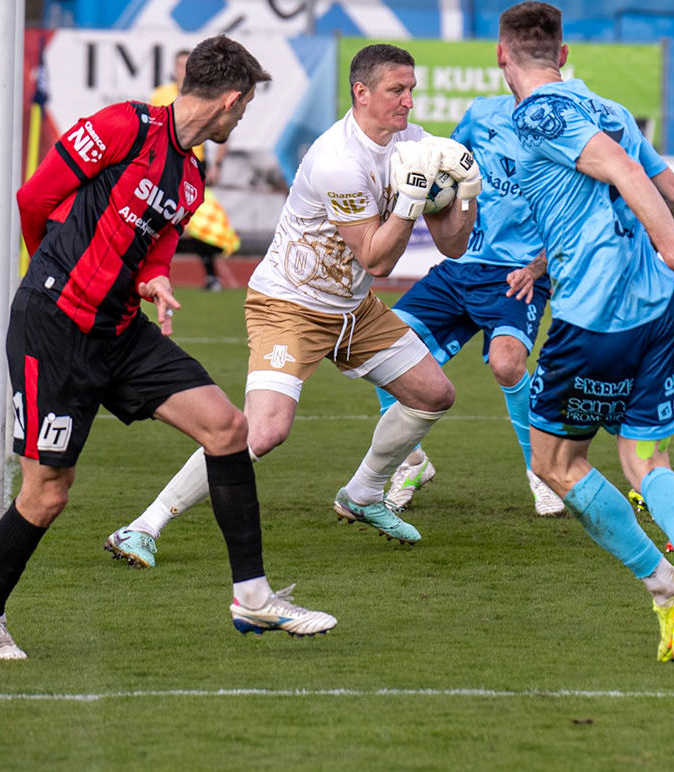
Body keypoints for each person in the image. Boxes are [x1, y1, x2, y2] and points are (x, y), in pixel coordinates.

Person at [0, 35, 335, 659]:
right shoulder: (123, 127)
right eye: (244, 107)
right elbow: (35, 198)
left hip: (121, 329)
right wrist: (51, 270)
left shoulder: (190, 178)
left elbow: (157, 248)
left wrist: (153, 278)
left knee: (227, 428)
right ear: (230, 100)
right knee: (48, 491)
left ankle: (253, 598)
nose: (241, 119)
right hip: (54, 326)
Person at [104, 42, 480, 565]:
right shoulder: (338, 161)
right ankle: (143, 526)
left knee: (433, 394)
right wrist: (412, 203)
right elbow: (377, 260)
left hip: (351, 310)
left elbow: (453, 245)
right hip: (289, 305)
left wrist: (466, 193)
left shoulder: (415, 145)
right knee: (264, 431)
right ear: (361, 92)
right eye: (397, 90)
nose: (409, 102)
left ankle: (364, 493)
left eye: (411, 89)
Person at [501, 0, 674, 665]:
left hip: (594, 316)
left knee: (555, 463)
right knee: (647, 459)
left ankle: (663, 587)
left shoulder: (536, 112)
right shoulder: (610, 108)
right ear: (563, 53)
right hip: (656, 312)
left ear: (502, 55)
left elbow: (627, 175)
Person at [375, 88, 562, 519]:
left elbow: (580, 210)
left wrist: (540, 267)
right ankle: (411, 461)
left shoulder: (564, 125)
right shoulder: (481, 113)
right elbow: (444, 164)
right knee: (382, 343)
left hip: (517, 272)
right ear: (503, 59)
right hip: (460, 267)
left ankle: (543, 471)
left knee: (507, 363)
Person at [152, 49, 238, 292]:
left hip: (193, 166)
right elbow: (154, 128)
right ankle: (147, 274)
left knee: (199, 223)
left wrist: (217, 165)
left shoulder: (205, 95)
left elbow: (223, 130)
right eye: (179, 65)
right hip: (165, 165)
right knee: (156, 218)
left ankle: (211, 276)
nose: (182, 70)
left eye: (186, 65)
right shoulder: (161, 94)